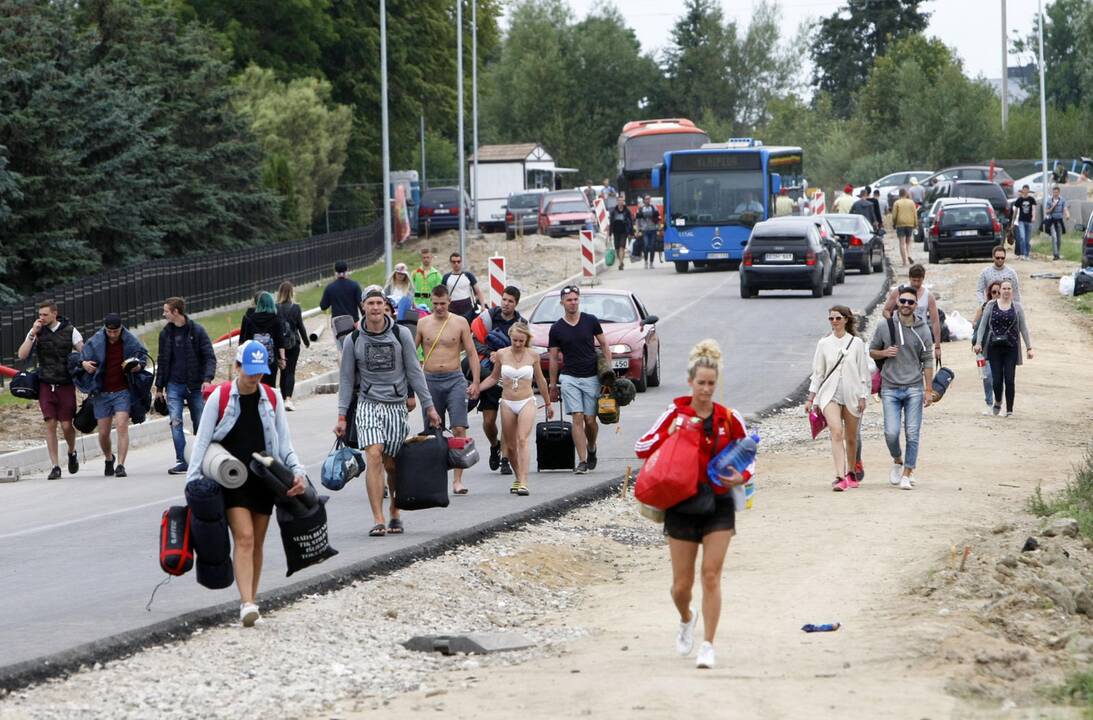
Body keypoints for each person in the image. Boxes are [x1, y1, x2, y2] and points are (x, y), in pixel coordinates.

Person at [633, 340, 754, 670]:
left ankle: (708, 644)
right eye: (700, 383)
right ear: (690, 382)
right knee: (681, 587)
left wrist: (739, 477)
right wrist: (669, 433)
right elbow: (641, 446)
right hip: (682, 502)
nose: (705, 389)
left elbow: (750, 457)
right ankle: (686, 617)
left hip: (718, 502)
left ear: (717, 384)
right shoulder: (674, 413)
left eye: (711, 384)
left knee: (711, 575)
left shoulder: (729, 419)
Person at [187, 341, 307, 626]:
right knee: (245, 537)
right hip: (231, 480)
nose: (255, 378)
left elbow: (284, 444)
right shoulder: (221, 397)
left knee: (257, 543)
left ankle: (252, 600)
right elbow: (202, 441)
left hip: (264, 480)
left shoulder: (273, 397)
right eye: (249, 371)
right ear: (237, 367)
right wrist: (192, 481)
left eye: (260, 372)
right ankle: (246, 603)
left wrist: (297, 471)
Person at [337, 287, 439, 537]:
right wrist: (341, 415)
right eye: (370, 303)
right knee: (374, 454)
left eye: (378, 303)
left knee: (392, 464)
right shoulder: (353, 339)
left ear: (385, 306)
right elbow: (347, 379)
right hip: (368, 403)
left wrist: (429, 406)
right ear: (363, 306)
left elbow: (414, 371)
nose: (374, 307)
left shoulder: (400, 333)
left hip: (396, 405)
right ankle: (378, 519)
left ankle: (394, 510)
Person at [415, 285, 480, 494]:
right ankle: (435, 477)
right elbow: (411, 353)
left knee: (459, 428)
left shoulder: (460, 322)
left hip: (454, 380)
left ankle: (457, 480)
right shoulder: (423, 323)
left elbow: (471, 353)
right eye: (435, 304)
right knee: (433, 432)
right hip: (430, 381)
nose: (439, 307)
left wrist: (476, 381)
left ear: (449, 301)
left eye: (443, 304)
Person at [869, 285, 934, 491]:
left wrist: (928, 389)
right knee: (891, 432)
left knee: (913, 432)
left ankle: (908, 472)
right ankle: (897, 460)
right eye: (903, 301)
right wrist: (884, 353)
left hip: (914, 387)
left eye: (910, 302)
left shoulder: (923, 329)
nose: (906, 305)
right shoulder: (885, 326)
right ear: (897, 302)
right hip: (890, 387)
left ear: (916, 305)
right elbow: (871, 351)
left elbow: (928, 359)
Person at [476, 322, 553, 495]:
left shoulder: (533, 355)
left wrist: (548, 403)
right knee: (510, 446)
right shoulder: (502, 354)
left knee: (522, 439)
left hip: (526, 401)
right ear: (510, 338)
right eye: (515, 340)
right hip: (507, 402)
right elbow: (494, 378)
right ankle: (518, 478)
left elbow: (540, 380)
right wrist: (477, 388)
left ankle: (524, 482)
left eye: (521, 341)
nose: (518, 344)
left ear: (526, 339)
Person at [17, 300, 84, 480]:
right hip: (46, 384)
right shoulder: (37, 332)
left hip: (65, 384)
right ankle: (55, 466)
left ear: (55, 314)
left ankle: (71, 452)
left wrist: (83, 362)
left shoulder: (70, 330)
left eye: (45, 315)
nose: (42, 318)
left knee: (66, 425)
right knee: (50, 424)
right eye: (40, 315)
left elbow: (83, 351)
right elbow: (22, 355)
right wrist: (32, 333)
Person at [75, 314, 149, 478]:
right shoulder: (96, 341)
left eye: (116, 331)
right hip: (102, 393)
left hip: (122, 391)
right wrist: (84, 364)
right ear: (105, 329)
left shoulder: (130, 340)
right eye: (110, 331)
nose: (113, 334)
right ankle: (109, 458)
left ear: (121, 328)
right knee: (103, 433)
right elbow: (80, 359)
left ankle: (121, 465)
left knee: (122, 425)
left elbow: (142, 358)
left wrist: (137, 366)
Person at [805, 306, 869, 491]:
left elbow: (862, 371)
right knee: (836, 431)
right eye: (831, 319)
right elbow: (818, 373)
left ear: (846, 320)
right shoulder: (823, 344)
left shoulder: (856, 343)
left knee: (851, 437)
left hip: (852, 393)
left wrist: (863, 395)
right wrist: (811, 399)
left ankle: (851, 472)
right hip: (829, 394)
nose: (834, 322)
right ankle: (839, 476)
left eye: (838, 318)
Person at [548, 286, 608, 474]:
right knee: (577, 417)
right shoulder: (556, 328)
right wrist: (552, 384)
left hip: (591, 377)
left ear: (579, 300)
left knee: (590, 420)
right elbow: (553, 358)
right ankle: (581, 461)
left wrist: (609, 372)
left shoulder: (590, 321)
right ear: (562, 303)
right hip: (569, 377)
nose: (572, 302)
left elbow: (604, 345)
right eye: (569, 300)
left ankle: (591, 447)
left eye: (575, 299)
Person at [155, 297, 217, 475]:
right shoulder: (165, 334)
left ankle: (200, 458)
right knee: (175, 422)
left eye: (166, 310)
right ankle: (182, 460)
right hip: (174, 385)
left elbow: (209, 356)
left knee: (200, 422)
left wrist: (207, 379)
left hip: (196, 386)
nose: (164, 314)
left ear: (176, 312)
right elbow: (162, 360)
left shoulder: (197, 331)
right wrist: (159, 388)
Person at [471, 286, 525, 476]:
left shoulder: (521, 323)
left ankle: (504, 460)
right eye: (504, 299)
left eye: (510, 301)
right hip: (490, 375)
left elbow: (525, 348)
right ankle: (495, 445)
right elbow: (473, 342)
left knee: (508, 421)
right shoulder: (488, 318)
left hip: (511, 378)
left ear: (516, 303)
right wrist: (491, 353)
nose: (506, 303)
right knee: (489, 421)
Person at [974, 279, 1033, 417]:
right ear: (999, 290)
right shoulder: (991, 305)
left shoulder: (1017, 307)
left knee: (1009, 378)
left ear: (1012, 291)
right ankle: (998, 402)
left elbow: (1023, 328)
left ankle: (1010, 410)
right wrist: (978, 343)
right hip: (994, 347)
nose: (1006, 291)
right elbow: (982, 325)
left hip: (1011, 347)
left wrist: (1029, 347)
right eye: (1004, 288)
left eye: (1009, 289)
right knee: (997, 379)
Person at [882, 264, 942, 362]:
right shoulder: (899, 291)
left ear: (923, 279)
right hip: (901, 333)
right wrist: (891, 324)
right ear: (909, 278)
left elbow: (935, 321)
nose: (916, 283)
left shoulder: (928, 296)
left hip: (920, 334)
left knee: (922, 362)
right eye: (914, 280)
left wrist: (937, 347)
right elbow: (886, 310)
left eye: (919, 280)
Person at [275, 281, 310, 411]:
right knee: (291, 371)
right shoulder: (295, 308)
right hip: (293, 343)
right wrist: (306, 341)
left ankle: (283, 398)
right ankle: (288, 399)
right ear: (291, 292)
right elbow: (300, 326)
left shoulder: (275, 307)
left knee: (283, 372)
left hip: (280, 344)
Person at [239, 292, 286, 385]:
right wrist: (282, 359)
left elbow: (245, 340)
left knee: (255, 385)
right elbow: (280, 341)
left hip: (254, 359)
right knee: (270, 385)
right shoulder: (276, 319)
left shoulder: (250, 319)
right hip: (270, 359)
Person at [972, 281, 1002, 415]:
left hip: (1001, 348)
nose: (996, 295)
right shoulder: (983, 307)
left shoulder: (1007, 308)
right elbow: (976, 326)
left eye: (998, 292)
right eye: (993, 292)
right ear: (989, 293)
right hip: (984, 348)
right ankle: (989, 402)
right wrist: (977, 342)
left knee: (999, 377)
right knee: (987, 376)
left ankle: (998, 403)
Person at [319, 261, 363, 352]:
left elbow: (323, 306)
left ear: (335, 271)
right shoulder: (354, 285)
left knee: (341, 350)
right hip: (353, 322)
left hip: (337, 323)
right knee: (354, 348)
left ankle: (343, 365)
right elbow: (362, 305)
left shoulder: (330, 287)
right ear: (347, 270)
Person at [443, 252, 485, 319]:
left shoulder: (468, 275)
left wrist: (483, 306)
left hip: (468, 309)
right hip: (452, 309)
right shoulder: (446, 277)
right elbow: (443, 294)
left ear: (461, 262)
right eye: (454, 262)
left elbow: (478, 292)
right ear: (450, 263)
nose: (456, 264)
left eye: (458, 261)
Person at [891, 188, 918, 266]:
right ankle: (909, 255)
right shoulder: (911, 202)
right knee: (908, 242)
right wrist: (915, 224)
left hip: (900, 224)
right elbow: (915, 214)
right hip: (910, 223)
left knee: (902, 243)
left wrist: (894, 223)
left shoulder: (896, 203)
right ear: (906, 194)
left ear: (899, 194)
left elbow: (894, 216)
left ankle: (904, 262)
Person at [1043, 185, 1070, 261]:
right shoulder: (1049, 201)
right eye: (1054, 192)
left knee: (1059, 239)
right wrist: (1052, 207)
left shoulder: (1062, 200)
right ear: (1052, 192)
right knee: (1054, 237)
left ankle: (1057, 253)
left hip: (1059, 221)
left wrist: (1067, 215)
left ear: (1059, 192)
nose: (1055, 194)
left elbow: (1065, 208)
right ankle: (1055, 254)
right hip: (1052, 221)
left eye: (1057, 192)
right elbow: (1046, 211)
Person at [609, 195, 635, 270]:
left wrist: (632, 233)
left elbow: (631, 222)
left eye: (622, 201)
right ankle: (621, 260)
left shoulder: (627, 211)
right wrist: (610, 234)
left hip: (624, 231)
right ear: (617, 202)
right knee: (617, 248)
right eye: (619, 200)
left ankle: (620, 263)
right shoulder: (613, 211)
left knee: (621, 247)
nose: (620, 202)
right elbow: (611, 223)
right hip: (615, 232)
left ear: (623, 202)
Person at [1012, 185, 1038, 259]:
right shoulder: (1019, 200)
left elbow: (1033, 209)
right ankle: (1022, 254)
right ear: (1022, 190)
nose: (1025, 191)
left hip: (1029, 221)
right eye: (1024, 190)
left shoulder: (1031, 199)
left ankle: (1027, 254)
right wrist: (1013, 221)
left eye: (1027, 190)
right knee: (1022, 237)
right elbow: (1016, 211)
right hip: (1021, 221)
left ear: (1028, 190)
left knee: (1027, 239)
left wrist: (1033, 217)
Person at [636, 195, 661, 268]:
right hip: (644, 230)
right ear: (644, 200)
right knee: (646, 246)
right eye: (646, 199)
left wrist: (659, 228)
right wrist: (637, 230)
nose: (648, 200)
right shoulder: (640, 209)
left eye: (649, 199)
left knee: (652, 246)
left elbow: (658, 218)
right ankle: (646, 261)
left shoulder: (654, 207)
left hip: (653, 229)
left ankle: (651, 262)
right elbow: (637, 220)